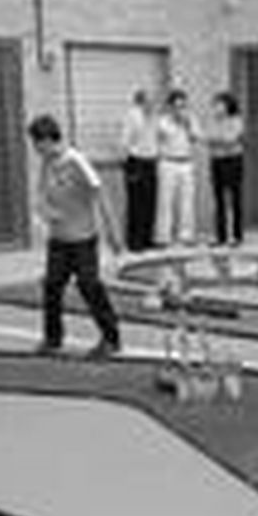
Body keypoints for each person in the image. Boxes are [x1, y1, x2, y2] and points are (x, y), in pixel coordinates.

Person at [27, 114, 123, 358]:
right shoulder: (47, 164)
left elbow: (100, 193)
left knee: (89, 285)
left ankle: (111, 338)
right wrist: (44, 212)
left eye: (37, 144)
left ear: (47, 140)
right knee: (51, 286)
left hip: (83, 240)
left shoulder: (76, 161)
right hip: (59, 239)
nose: (36, 150)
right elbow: (41, 195)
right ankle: (53, 339)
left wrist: (113, 232)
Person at [154, 89, 198, 247]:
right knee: (165, 201)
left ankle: (186, 235)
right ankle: (163, 236)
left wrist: (186, 124)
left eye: (183, 106)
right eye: (177, 106)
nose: (180, 109)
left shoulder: (191, 119)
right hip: (168, 162)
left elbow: (195, 137)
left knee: (187, 201)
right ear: (170, 107)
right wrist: (174, 121)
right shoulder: (162, 121)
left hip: (186, 163)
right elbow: (159, 137)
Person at [120, 89, 159, 252]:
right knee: (136, 203)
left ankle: (147, 238)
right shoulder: (133, 116)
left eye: (153, 101)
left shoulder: (154, 117)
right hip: (136, 161)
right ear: (141, 102)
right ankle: (134, 241)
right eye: (149, 101)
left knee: (150, 202)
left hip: (151, 161)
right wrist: (127, 165)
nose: (152, 104)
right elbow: (125, 141)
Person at [206, 91, 245, 247]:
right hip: (216, 160)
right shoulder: (212, 121)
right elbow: (207, 138)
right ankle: (220, 235)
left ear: (227, 106)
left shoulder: (236, 120)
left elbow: (231, 139)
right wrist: (219, 139)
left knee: (234, 198)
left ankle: (236, 235)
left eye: (219, 104)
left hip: (233, 160)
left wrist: (218, 139)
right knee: (219, 199)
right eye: (215, 105)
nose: (216, 108)